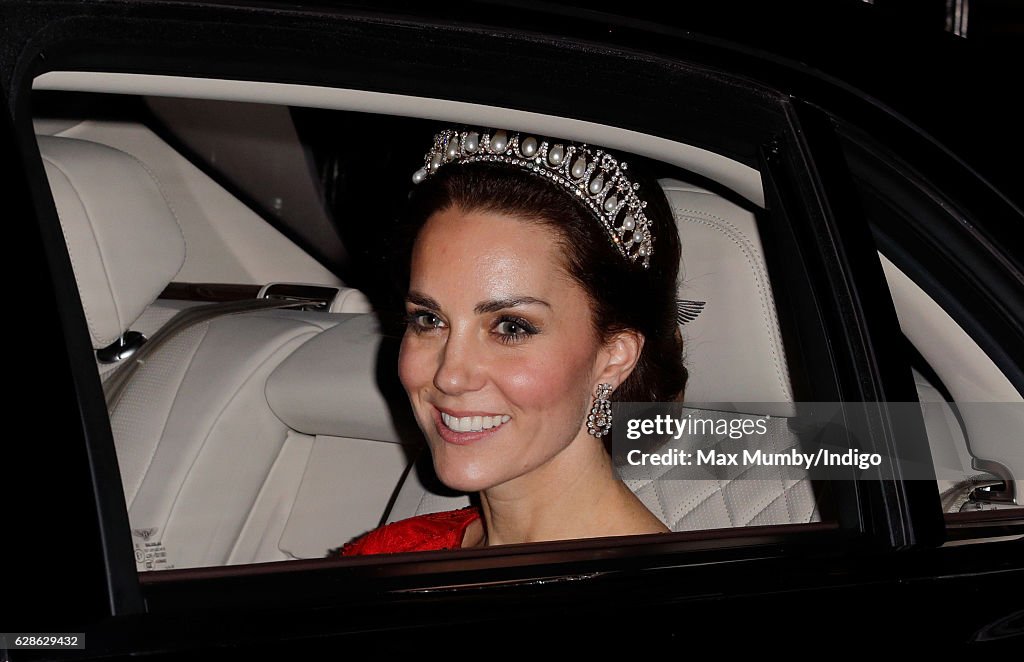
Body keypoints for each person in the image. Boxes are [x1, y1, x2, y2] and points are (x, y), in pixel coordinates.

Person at [333, 127, 687, 556]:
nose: (450, 375)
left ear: (613, 358)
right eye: (429, 319)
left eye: (511, 327)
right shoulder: (386, 555)